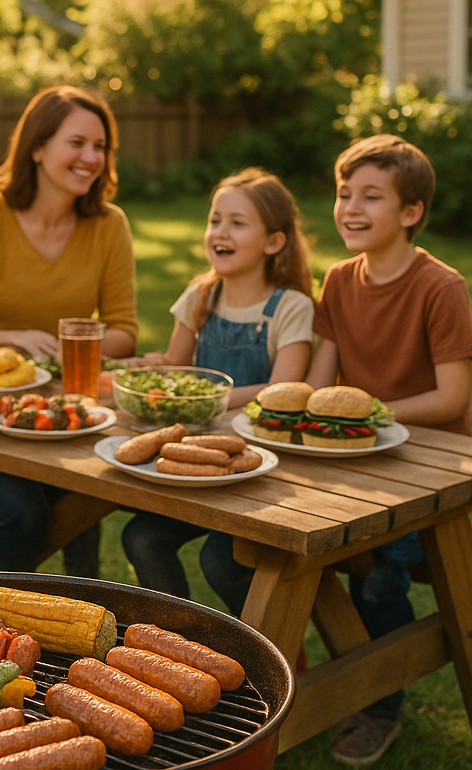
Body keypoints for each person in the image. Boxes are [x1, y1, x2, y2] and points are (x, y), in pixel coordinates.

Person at [306, 134, 472, 768]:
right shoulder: (339, 280)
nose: (350, 207)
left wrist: (371, 416)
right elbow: (322, 387)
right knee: (292, 552)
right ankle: (309, 687)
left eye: (370, 196)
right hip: (353, 463)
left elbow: (450, 395)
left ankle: (379, 706)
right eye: (343, 193)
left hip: (424, 474)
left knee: (381, 578)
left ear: (411, 212)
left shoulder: (441, 286)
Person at [0, 85, 139, 574]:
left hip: (55, 412)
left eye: (101, 147)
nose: (92, 157)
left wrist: (68, 348)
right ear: (37, 147)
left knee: (86, 496)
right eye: (78, 143)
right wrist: (15, 341)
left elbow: (125, 331)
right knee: (24, 514)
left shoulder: (109, 226)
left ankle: (82, 629)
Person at [121, 168, 314, 615]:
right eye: (215, 220)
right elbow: (176, 368)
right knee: (142, 538)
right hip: (191, 462)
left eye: (237, 223)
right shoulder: (200, 295)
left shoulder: (289, 308)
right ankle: (183, 642)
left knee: (221, 561)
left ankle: (271, 637)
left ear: (274, 242)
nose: (219, 232)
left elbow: (283, 389)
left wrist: (209, 399)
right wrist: (149, 371)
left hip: (258, 469)